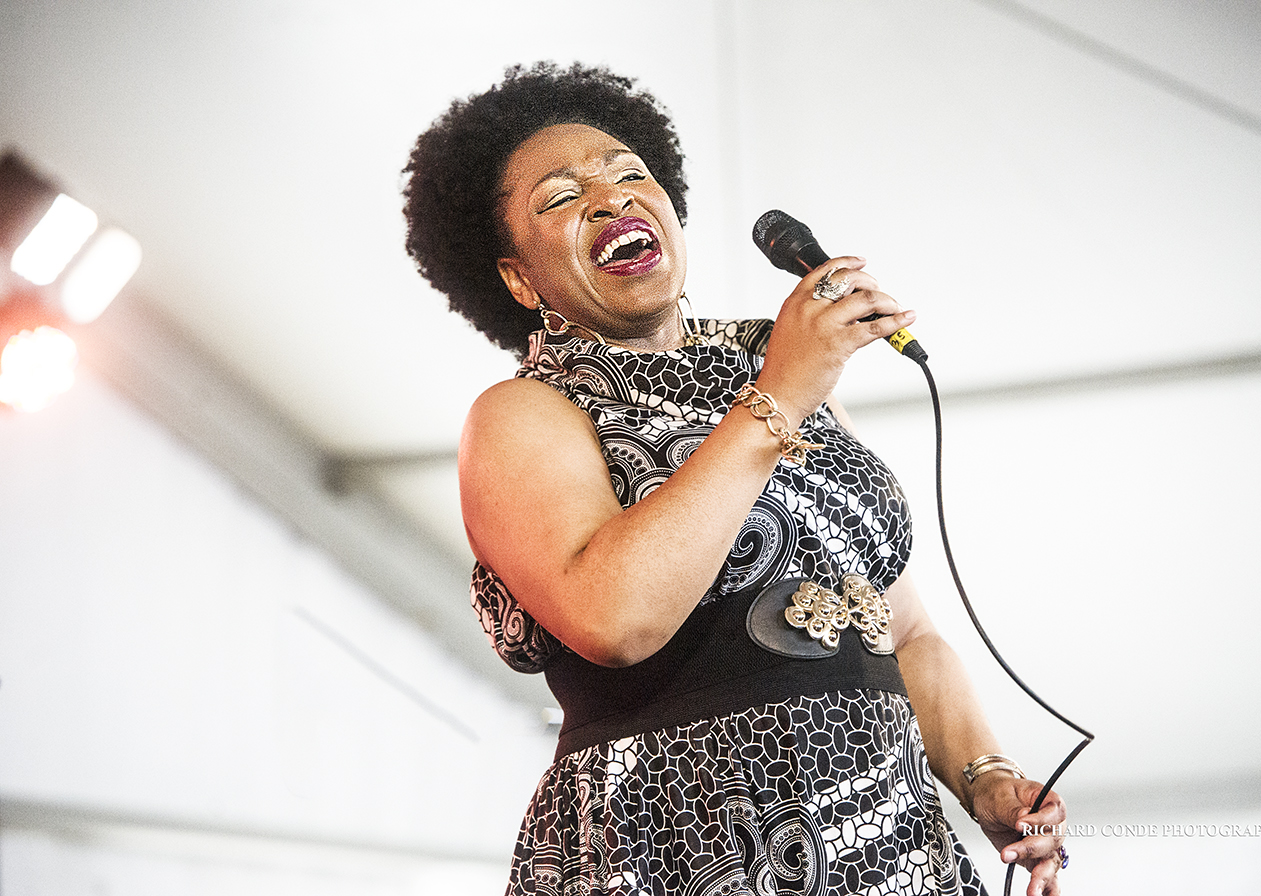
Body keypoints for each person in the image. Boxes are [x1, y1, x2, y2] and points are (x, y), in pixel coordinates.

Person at [403, 62, 1067, 896]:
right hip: (681, 837)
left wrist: (985, 776)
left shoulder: (776, 369)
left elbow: (903, 630)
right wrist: (782, 392)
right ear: (517, 277)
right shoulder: (523, 415)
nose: (612, 200)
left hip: (884, 837)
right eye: (561, 197)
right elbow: (615, 618)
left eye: (630, 176)